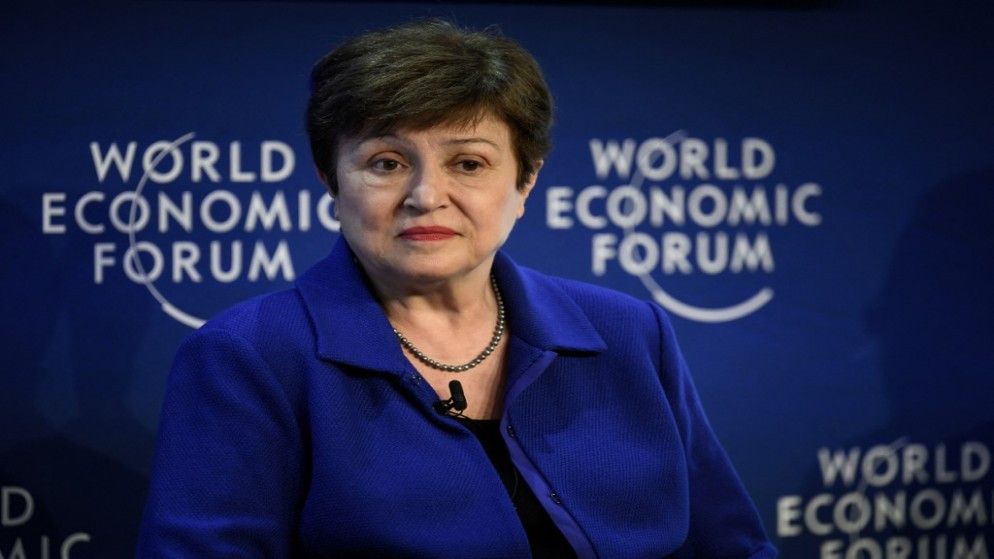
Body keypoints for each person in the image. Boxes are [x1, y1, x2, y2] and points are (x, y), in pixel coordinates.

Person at [136, 19, 777, 558]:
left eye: (468, 163)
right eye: (386, 163)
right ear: (331, 179)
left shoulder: (628, 331)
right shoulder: (249, 356)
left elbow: (732, 548)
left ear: (525, 182)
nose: (426, 195)